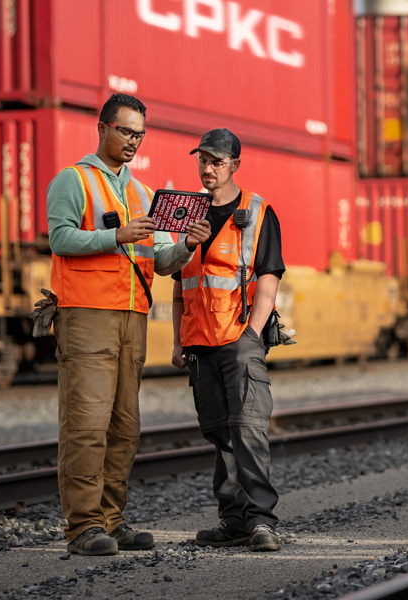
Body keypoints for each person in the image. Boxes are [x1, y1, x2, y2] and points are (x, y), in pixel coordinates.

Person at [46, 93, 211, 556]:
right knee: (86, 424)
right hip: (87, 316)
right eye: (125, 131)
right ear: (102, 128)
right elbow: (59, 238)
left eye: (140, 134)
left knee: (124, 426)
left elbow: (160, 261)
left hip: (132, 318)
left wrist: (187, 247)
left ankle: (112, 522)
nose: (133, 141)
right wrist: (115, 235)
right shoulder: (72, 180)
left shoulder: (142, 193)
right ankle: (83, 527)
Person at [170, 128, 285, 552]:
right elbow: (181, 281)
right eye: (202, 160)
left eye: (217, 161)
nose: (207, 168)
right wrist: (179, 343)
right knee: (220, 435)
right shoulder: (187, 212)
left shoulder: (258, 211)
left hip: (238, 339)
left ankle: (261, 522)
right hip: (199, 344)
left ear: (235, 164)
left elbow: (268, 280)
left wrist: (250, 337)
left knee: (248, 432)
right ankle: (233, 520)